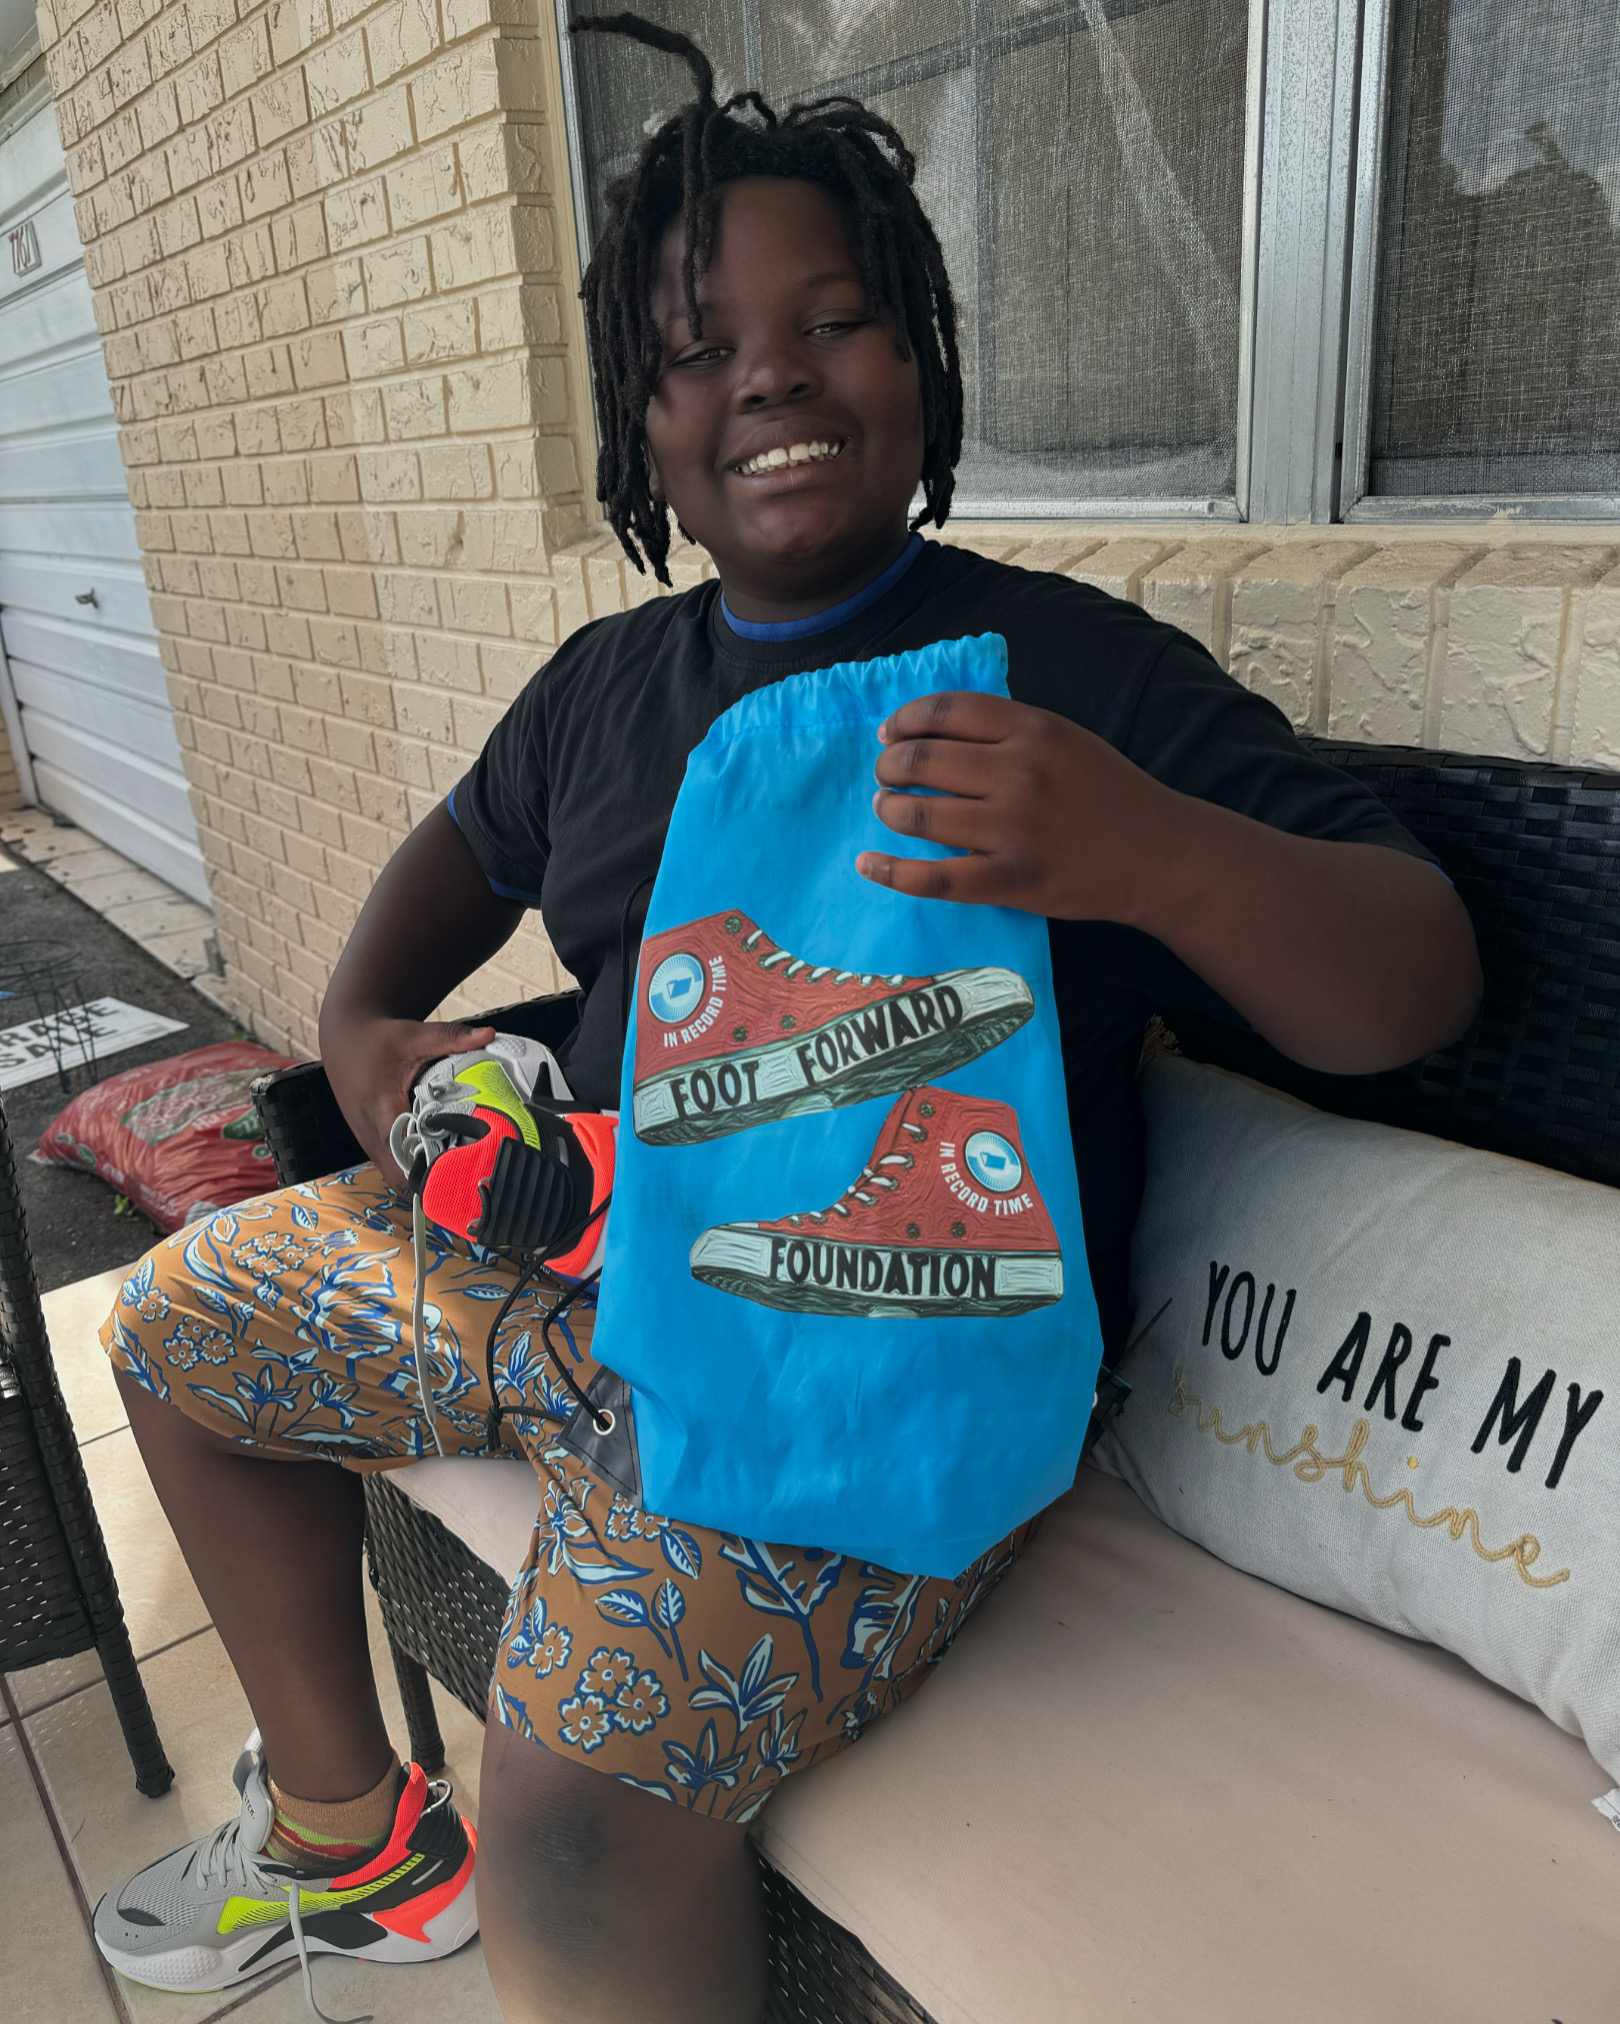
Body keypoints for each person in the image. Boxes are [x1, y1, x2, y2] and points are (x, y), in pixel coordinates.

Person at [91, 15, 1482, 2024]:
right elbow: (414, 915)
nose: (768, 371)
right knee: (170, 1330)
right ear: (642, 425)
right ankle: (348, 1837)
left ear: (917, 362)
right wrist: (376, 1038)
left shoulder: (1070, 682)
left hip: (878, 1371)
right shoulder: (598, 689)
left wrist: (1151, 850)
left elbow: (1415, 983)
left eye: (835, 319)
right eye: (696, 348)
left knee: (572, 1799)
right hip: (569, 1275)